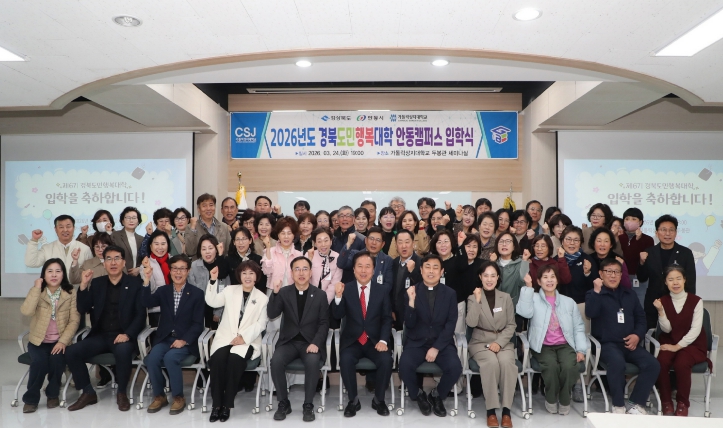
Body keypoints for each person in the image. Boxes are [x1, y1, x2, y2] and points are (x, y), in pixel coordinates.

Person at [65, 245, 145, 412]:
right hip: (101, 335)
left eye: (117, 258)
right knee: (72, 352)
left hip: (123, 335)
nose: (113, 262)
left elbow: (140, 315)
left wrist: (128, 334)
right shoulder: (97, 283)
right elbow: (83, 308)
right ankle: (88, 392)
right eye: (109, 259)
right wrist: (83, 286)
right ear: (104, 263)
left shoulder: (135, 283)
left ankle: (122, 392)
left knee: (123, 350)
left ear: (124, 262)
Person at [585, 258, 660, 415]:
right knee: (617, 362)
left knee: (652, 364)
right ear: (601, 274)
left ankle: (635, 403)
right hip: (607, 345)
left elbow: (641, 319)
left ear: (621, 275)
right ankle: (618, 405)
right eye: (609, 272)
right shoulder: (594, 294)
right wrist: (597, 291)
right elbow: (590, 312)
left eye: (616, 272)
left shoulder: (629, 294)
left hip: (630, 344)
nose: (613, 276)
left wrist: (637, 335)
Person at [516, 265, 586, 415]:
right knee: (551, 367)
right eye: (545, 277)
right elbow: (524, 312)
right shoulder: (533, 298)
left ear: (557, 280)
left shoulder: (568, 302)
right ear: (539, 281)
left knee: (569, 366)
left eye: (552, 277)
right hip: (542, 345)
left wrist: (581, 349)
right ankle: (551, 398)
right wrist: (528, 288)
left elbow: (579, 327)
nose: (549, 280)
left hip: (565, 344)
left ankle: (565, 398)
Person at [399, 254, 462, 418]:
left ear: (441, 272)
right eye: (427, 267)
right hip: (417, 342)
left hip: (442, 343)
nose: (431, 271)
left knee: (455, 367)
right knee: (404, 365)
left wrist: (436, 347)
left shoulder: (450, 294)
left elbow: (451, 324)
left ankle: (437, 395)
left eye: (435, 268)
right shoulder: (411, 291)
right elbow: (409, 324)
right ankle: (418, 395)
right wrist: (411, 302)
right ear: (421, 270)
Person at [205, 260, 269, 422]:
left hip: (247, 340)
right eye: (244, 273)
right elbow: (212, 301)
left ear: (256, 277)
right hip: (226, 337)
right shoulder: (229, 290)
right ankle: (216, 405)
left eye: (251, 273)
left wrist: (244, 337)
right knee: (217, 361)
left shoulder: (262, 298)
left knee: (234, 361)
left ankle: (227, 406)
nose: (247, 276)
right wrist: (213, 280)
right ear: (239, 275)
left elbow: (261, 324)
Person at [141, 254, 205, 415]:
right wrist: (146, 280)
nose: (178, 272)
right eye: (175, 268)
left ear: (188, 271)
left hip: (186, 341)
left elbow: (198, 324)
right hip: (165, 338)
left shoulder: (196, 293)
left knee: (171, 357)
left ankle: (178, 397)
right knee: (152, 358)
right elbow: (145, 302)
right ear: (170, 271)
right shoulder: (163, 291)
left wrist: (184, 340)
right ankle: (159, 396)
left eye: (182, 269)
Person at [332, 251, 393, 417]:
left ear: (373, 270)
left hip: (375, 341)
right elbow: (337, 315)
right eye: (360, 266)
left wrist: (383, 340)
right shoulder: (346, 288)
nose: (363, 270)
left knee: (386, 360)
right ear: (353, 269)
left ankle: (379, 400)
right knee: (345, 359)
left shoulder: (382, 290)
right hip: (353, 341)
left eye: (368, 266)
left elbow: (387, 319)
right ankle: (353, 401)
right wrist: (338, 297)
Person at [268, 256, 329, 422]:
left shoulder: (320, 295)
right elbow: (272, 314)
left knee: (312, 362)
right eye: (297, 269)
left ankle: (308, 405)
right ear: (292, 273)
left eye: (305, 269)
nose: (301, 273)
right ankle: (283, 403)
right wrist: (275, 293)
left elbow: (324, 323)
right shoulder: (284, 292)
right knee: (276, 361)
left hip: (310, 343)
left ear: (311, 273)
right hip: (289, 342)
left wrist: (316, 343)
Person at [20, 259, 80, 413]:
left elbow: (74, 320)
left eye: (58, 271)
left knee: (57, 361)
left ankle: (52, 395)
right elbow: (26, 311)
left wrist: (63, 341)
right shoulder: (37, 291)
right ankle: (31, 399)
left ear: (63, 274)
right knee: (39, 363)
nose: (54, 275)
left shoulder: (70, 292)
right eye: (50, 271)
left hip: (59, 341)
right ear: (44, 275)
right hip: (38, 341)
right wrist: (36, 288)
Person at [653, 266, 711, 417]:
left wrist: (677, 347)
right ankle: (666, 401)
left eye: (678, 278)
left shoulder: (696, 301)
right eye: (671, 279)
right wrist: (660, 311)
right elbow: (666, 329)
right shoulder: (663, 301)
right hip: (669, 340)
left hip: (693, 344)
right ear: (665, 282)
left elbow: (695, 330)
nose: (675, 283)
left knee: (681, 362)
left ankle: (682, 403)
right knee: (661, 362)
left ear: (684, 280)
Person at [466, 261, 517, 428]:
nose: (489, 279)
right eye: (486, 275)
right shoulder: (472, 297)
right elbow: (471, 323)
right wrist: (477, 301)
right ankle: (491, 411)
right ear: (480, 277)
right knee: (491, 363)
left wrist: (499, 343)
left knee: (507, 363)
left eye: (493, 276)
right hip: (480, 342)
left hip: (503, 341)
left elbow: (511, 325)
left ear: (498, 277)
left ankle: (506, 411)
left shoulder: (506, 297)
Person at [557, 225, 596, 403]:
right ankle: (562, 382)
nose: (572, 243)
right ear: (562, 241)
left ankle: (581, 383)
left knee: (582, 345)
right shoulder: (556, 259)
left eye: (576, 240)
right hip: (559, 307)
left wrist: (588, 274)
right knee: (561, 344)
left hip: (581, 307)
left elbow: (595, 286)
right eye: (568, 239)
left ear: (581, 242)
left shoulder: (587, 259)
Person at [25, 214, 93, 279]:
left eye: (68, 226)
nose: (65, 230)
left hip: (77, 287)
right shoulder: (47, 248)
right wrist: (34, 240)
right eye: (61, 227)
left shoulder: (85, 249)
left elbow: (90, 273)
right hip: (55, 287)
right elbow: (31, 263)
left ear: (74, 228)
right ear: (55, 229)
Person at [188, 234, 229, 329]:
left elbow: (226, 290)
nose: (207, 252)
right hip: (199, 309)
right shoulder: (194, 266)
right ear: (200, 251)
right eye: (204, 249)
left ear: (216, 249)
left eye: (210, 248)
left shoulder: (222, 265)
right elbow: (191, 290)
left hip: (219, 309)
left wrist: (218, 312)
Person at [618, 208, 655, 307]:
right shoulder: (619, 238)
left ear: (640, 222)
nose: (630, 221)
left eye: (634, 219)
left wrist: (639, 240)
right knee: (621, 306)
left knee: (639, 306)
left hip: (639, 278)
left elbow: (645, 259)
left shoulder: (647, 239)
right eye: (627, 219)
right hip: (621, 277)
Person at [139, 230, 173, 327]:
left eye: (163, 244)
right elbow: (151, 290)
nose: (160, 247)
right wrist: (147, 272)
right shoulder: (146, 265)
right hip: (157, 311)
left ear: (168, 245)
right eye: (156, 244)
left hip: (176, 308)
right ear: (150, 246)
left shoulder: (174, 261)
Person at [261, 217, 303, 292]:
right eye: (283, 233)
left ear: (294, 235)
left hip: (293, 292)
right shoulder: (270, 251)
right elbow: (266, 271)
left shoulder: (299, 255)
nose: (286, 237)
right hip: (273, 292)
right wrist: (268, 248)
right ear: (278, 235)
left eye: (289, 233)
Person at [391, 229, 422, 330]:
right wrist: (391, 310)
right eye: (400, 242)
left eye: (407, 242)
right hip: (395, 316)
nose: (403, 246)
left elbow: (422, 288)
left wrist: (412, 271)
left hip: (413, 315)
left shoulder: (421, 263)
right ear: (396, 245)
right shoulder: (393, 263)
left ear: (413, 244)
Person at [490, 231, 530, 308]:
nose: (504, 244)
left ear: (514, 246)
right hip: (494, 306)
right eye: (501, 241)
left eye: (508, 241)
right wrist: (492, 263)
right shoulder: (493, 262)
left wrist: (525, 261)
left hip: (513, 307)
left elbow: (523, 282)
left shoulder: (521, 263)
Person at [307, 227, 343, 303]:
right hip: (309, 299)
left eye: (326, 240)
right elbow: (305, 278)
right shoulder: (309, 255)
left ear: (331, 241)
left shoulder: (337, 257)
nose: (323, 244)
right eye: (319, 241)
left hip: (328, 301)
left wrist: (324, 302)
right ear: (315, 243)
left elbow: (334, 283)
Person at [227, 227, 267, 293]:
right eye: (238, 239)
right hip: (234, 295)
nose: (241, 242)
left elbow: (262, 283)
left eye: (244, 239)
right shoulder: (228, 260)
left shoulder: (258, 260)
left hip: (254, 296)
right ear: (234, 242)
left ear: (250, 240)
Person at [111, 207, 144, 275]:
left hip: (137, 276)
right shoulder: (115, 236)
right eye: (128, 218)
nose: (131, 220)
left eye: (134, 218)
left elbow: (145, 259)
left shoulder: (142, 239)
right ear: (123, 221)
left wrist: (139, 269)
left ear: (138, 221)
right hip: (119, 275)